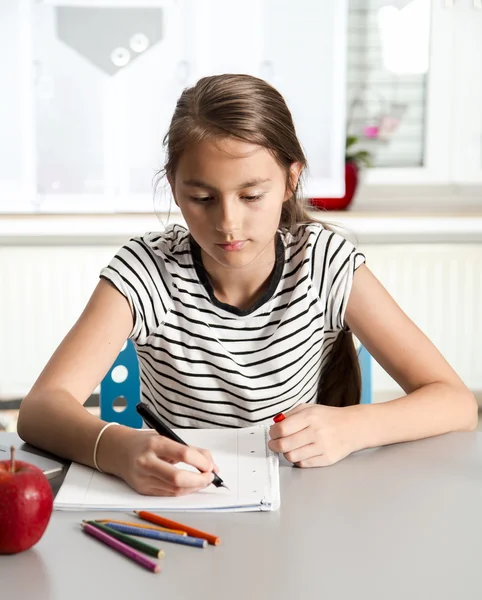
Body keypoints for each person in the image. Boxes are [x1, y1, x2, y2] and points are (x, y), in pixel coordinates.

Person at [17, 74, 477, 497]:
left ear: (290, 181)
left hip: (302, 505)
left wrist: (355, 427)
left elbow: (456, 403)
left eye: (252, 196)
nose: (228, 223)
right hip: (181, 503)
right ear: (174, 189)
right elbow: (40, 409)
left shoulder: (324, 263)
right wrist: (119, 449)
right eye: (202, 198)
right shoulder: (147, 269)